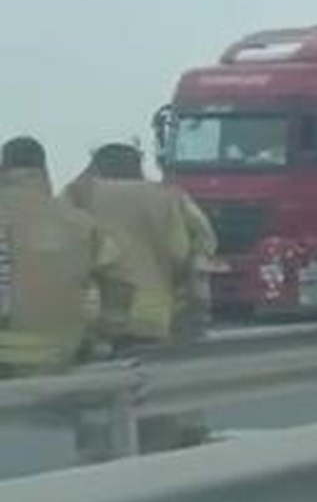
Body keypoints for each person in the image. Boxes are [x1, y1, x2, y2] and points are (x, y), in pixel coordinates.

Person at [0, 135, 132, 375]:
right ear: (44, 171)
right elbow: (119, 279)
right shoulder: (80, 223)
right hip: (58, 358)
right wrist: (106, 332)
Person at [66, 141, 216, 348]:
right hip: (156, 316)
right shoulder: (170, 196)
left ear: (96, 168)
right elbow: (204, 238)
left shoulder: (79, 195)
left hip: (98, 319)